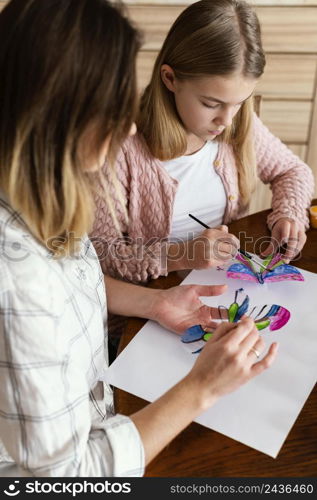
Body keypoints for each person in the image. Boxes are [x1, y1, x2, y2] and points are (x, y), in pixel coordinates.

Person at [0, 0, 278, 477]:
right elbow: (64, 478)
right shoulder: (17, 280)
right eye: (112, 107)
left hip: (102, 407)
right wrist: (200, 389)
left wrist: (155, 304)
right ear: (57, 118)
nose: (127, 124)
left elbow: (76, 281)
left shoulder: (41, 197)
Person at [91, 0, 314, 283]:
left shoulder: (239, 124)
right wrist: (181, 255)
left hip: (228, 284)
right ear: (170, 79)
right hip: (152, 301)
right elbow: (102, 257)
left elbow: (293, 171)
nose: (227, 121)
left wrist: (289, 215)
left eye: (239, 103)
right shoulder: (121, 146)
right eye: (211, 103)